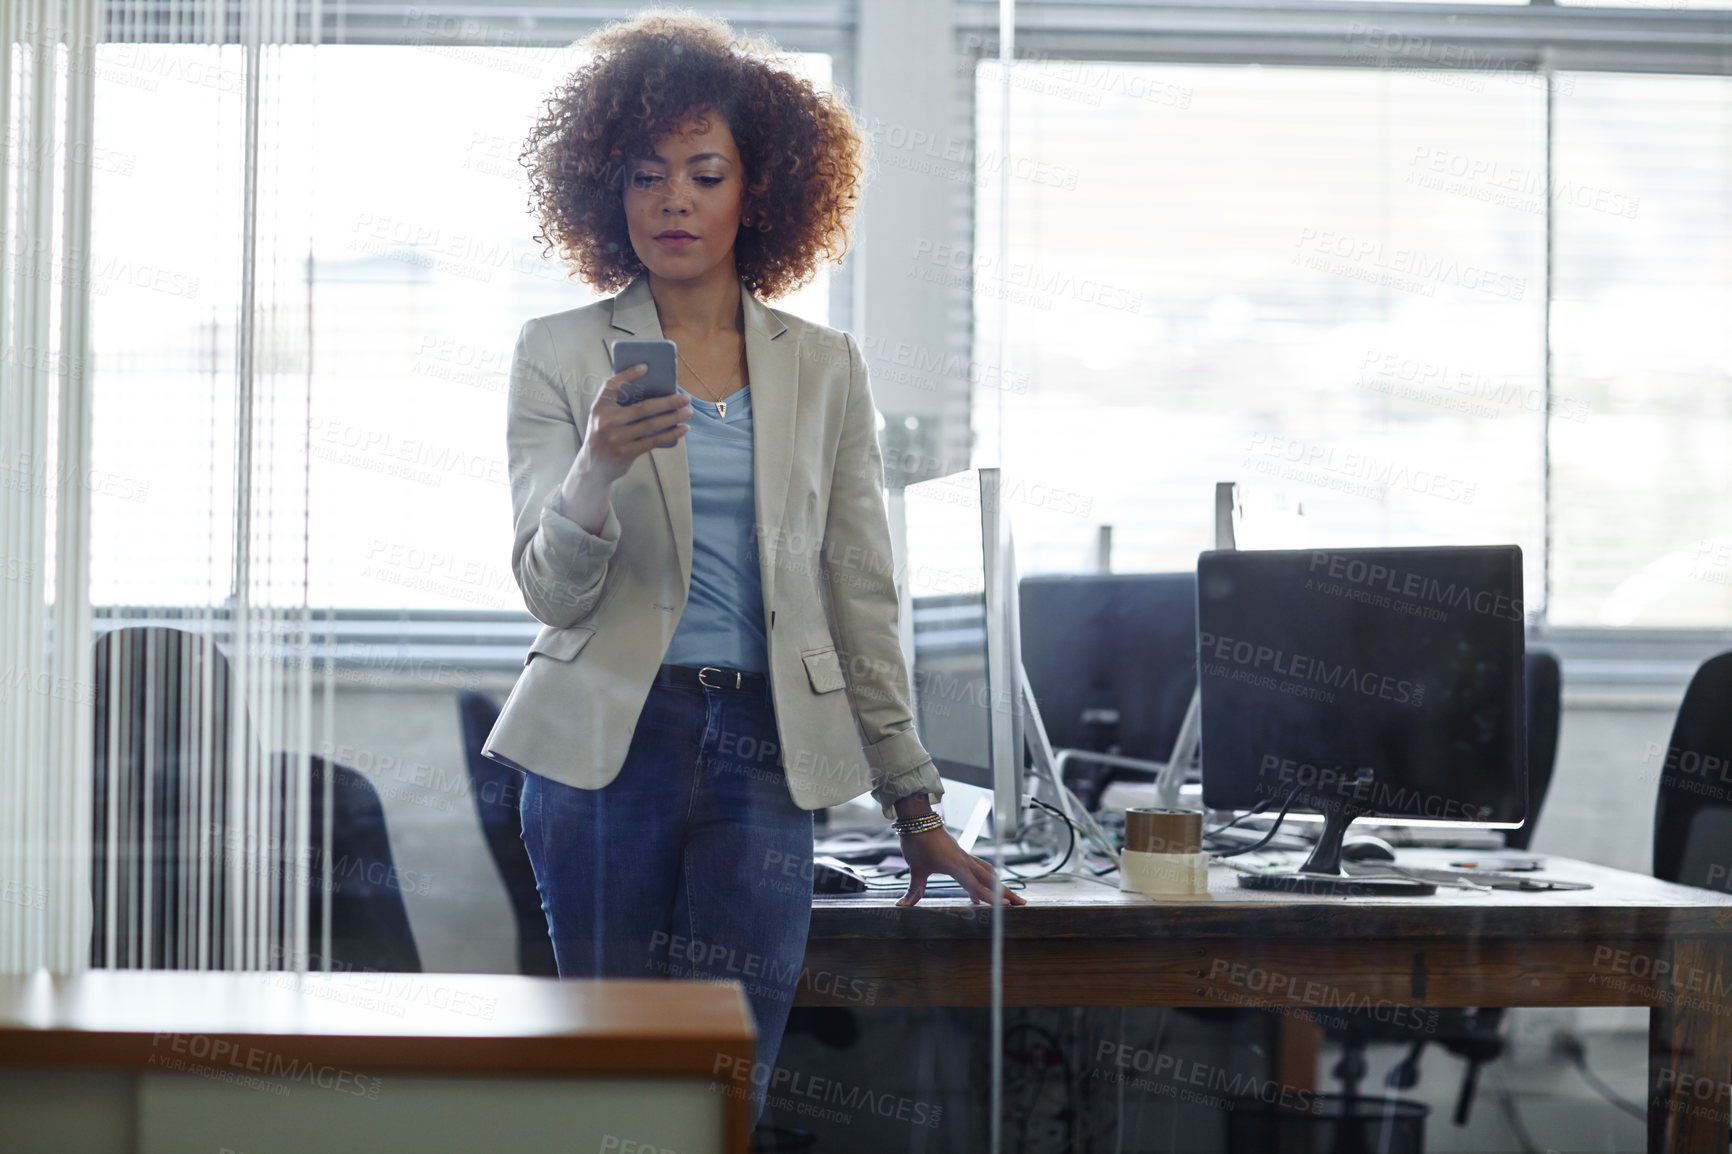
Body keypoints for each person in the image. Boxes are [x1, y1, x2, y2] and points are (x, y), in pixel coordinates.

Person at [484, 9, 1027, 1130]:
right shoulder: (559, 351)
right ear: (606, 192)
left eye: (703, 171)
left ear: (759, 189)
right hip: (600, 754)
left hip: (764, 757)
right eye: (643, 175)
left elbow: (858, 592)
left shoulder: (823, 367)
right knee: (615, 1086)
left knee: (732, 1086)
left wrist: (911, 792)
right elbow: (549, 588)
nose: (672, 199)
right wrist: (595, 460)